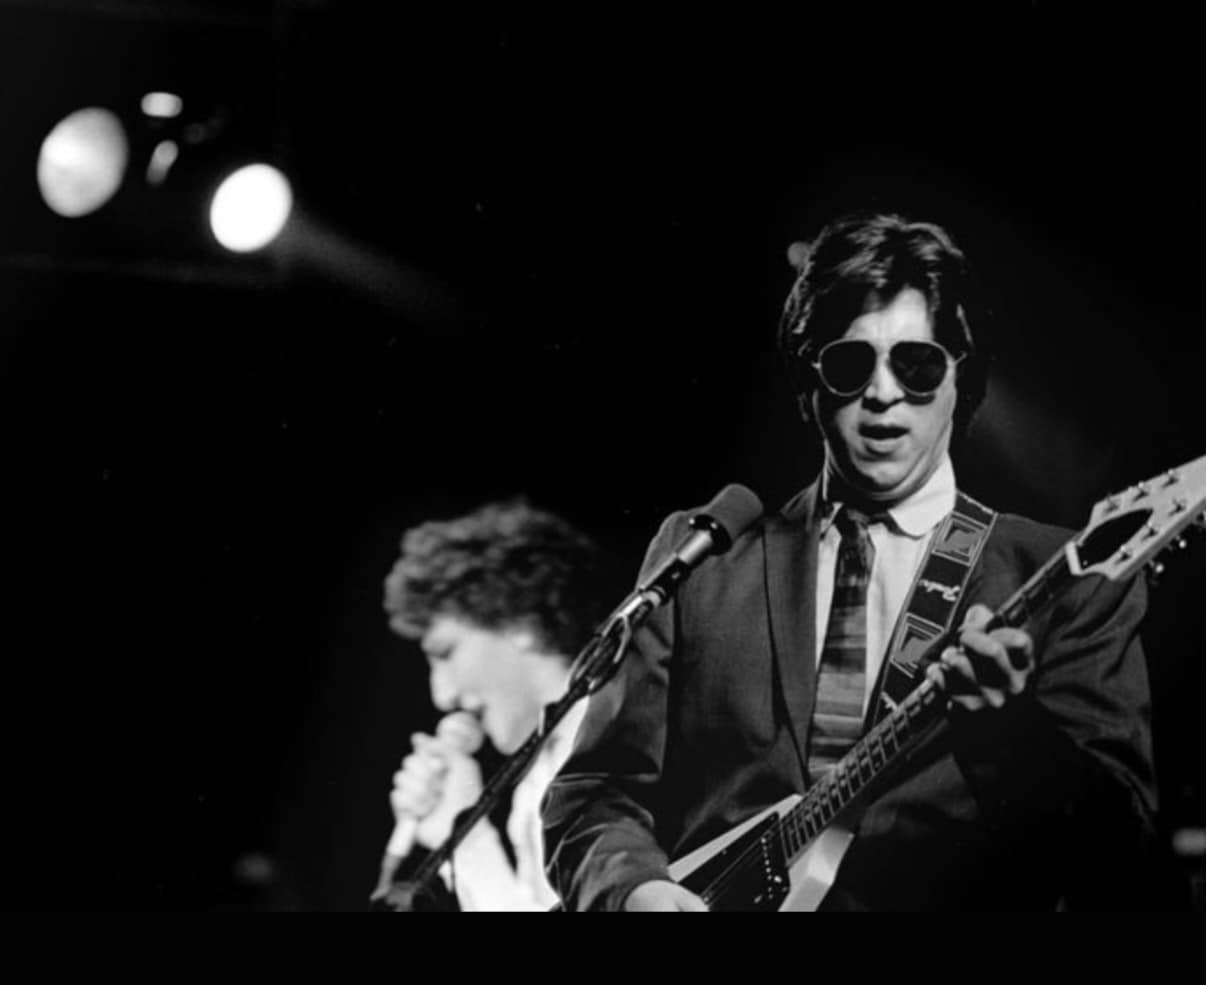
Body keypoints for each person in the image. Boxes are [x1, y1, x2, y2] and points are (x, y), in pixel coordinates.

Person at [543, 211, 1162, 911]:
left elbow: (1125, 853)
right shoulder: (705, 560)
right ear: (809, 387)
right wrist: (635, 891)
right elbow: (591, 795)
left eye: (918, 363)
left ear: (964, 378)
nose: (883, 393)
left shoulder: (1062, 579)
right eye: (849, 362)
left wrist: (1010, 734)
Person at [375, 499, 607, 911]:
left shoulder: (607, 748)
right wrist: (461, 832)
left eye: (445, 653)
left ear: (519, 623)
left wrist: (466, 839)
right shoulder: (538, 782)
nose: (441, 695)